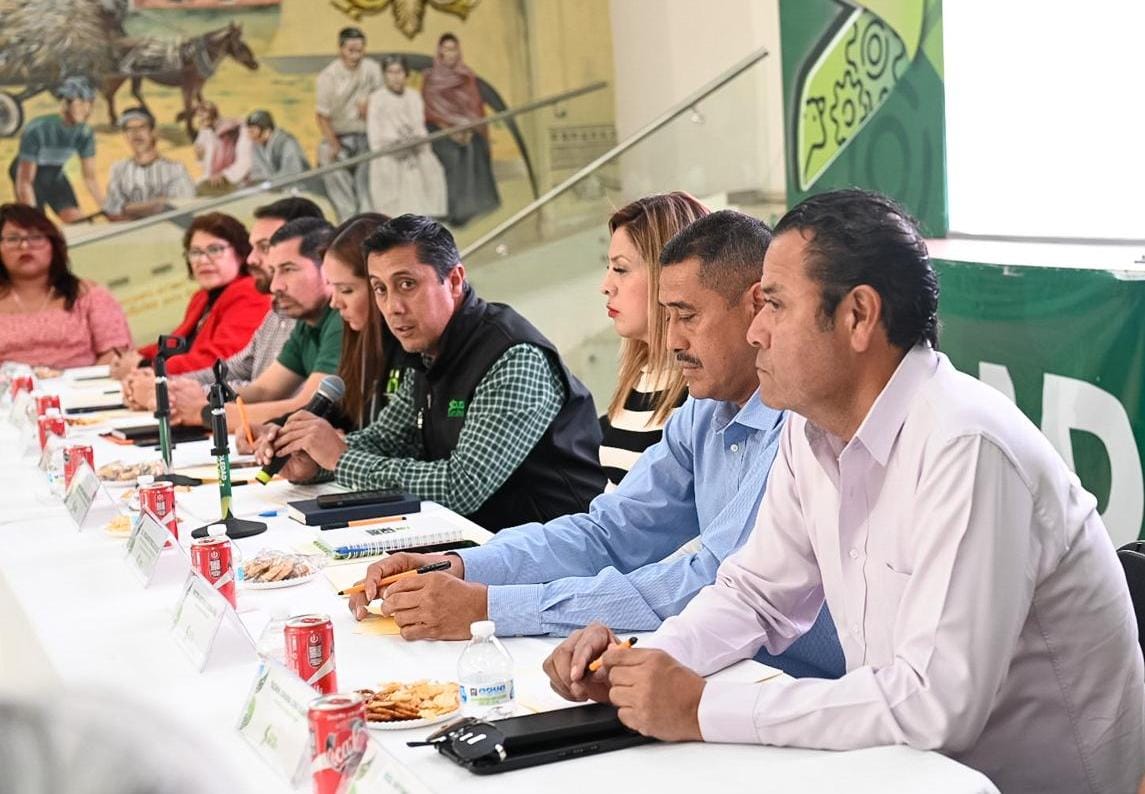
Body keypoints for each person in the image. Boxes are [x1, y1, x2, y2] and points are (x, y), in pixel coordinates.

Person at [544, 189, 1145, 794]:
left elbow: (934, 704)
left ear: (857, 315)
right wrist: (643, 665)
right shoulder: (810, 431)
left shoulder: (966, 446)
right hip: (901, 771)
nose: (755, 331)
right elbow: (755, 595)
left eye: (774, 304)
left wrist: (702, 708)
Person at [342, 211, 844, 682]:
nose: (672, 340)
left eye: (687, 316)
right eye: (667, 317)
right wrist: (461, 565)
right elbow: (610, 532)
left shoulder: (797, 422)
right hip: (721, 672)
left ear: (756, 307)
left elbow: (710, 580)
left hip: (803, 692)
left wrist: (490, 606)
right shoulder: (704, 411)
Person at [255, 213, 606, 530]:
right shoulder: (428, 351)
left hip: (554, 556)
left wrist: (340, 458)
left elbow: (462, 485)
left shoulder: (513, 357)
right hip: (479, 542)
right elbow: (388, 439)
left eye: (407, 284)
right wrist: (312, 458)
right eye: (380, 289)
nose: (392, 306)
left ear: (454, 280)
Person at [122, 197, 325, 411]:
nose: (252, 259)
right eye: (196, 252)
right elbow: (238, 371)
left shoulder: (255, 295)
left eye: (265, 247)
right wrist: (163, 383)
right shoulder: (277, 309)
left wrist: (171, 391)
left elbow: (277, 398)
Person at [174, 217, 342, 430]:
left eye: (288, 269)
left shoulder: (341, 318)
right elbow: (263, 390)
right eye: (274, 271)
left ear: (328, 268)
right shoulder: (307, 321)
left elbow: (308, 408)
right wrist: (188, 397)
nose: (275, 286)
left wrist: (206, 413)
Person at [598, 193, 702, 488]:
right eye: (608, 269)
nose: (606, 286)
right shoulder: (638, 373)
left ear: (666, 275)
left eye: (620, 269)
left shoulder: (703, 390)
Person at [111, 212, 268, 378]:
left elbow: (220, 361)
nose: (203, 260)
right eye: (195, 252)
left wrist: (145, 366)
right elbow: (176, 345)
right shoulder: (202, 297)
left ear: (241, 254)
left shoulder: (251, 293)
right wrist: (133, 355)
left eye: (215, 249)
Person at [0, 203, 131, 368]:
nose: (25, 246)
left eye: (36, 237)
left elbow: (116, 353)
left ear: (54, 246)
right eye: (13, 239)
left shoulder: (89, 295)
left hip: (87, 383)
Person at [323, 212, 404, 429]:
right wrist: (279, 430)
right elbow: (340, 412)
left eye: (346, 290)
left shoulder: (415, 352)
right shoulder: (361, 343)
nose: (334, 303)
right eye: (333, 288)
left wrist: (345, 445)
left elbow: (396, 437)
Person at [422, 33, 500, 226]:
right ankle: (455, 212)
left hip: (467, 128)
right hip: (438, 129)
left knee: (476, 147)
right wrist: (451, 131)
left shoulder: (466, 76)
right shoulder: (431, 78)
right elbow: (431, 112)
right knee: (453, 154)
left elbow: (474, 109)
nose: (450, 54)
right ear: (440, 52)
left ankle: (478, 205)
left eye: (454, 49)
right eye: (446, 49)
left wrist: (468, 130)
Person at [8, 77, 104, 223]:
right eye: (78, 103)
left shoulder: (85, 133)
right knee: (37, 223)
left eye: (89, 102)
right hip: (26, 174)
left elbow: (89, 177)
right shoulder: (37, 129)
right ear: (65, 103)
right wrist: (33, 217)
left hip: (54, 175)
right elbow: (25, 181)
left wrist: (107, 207)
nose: (85, 109)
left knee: (78, 221)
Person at [366, 55, 447, 218]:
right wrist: (394, 144)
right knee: (391, 174)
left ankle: (429, 216)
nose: (395, 77)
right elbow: (374, 135)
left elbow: (419, 128)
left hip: (414, 148)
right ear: (385, 75)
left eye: (399, 72)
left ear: (406, 74)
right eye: (391, 72)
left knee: (431, 168)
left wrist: (413, 141)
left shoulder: (414, 96)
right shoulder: (377, 99)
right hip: (388, 152)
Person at [315, 27, 382, 220]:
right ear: (341, 49)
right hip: (339, 136)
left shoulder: (372, 69)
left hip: (368, 135)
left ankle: (369, 219)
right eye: (351, 50)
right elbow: (321, 116)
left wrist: (370, 109)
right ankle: (348, 219)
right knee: (327, 157)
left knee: (367, 180)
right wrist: (334, 144)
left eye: (360, 51)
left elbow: (384, 104)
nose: (355, 56)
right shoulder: (328, 76)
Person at [102, 107, 195, 221]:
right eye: (129, 129)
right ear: (125, 135)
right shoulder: (118, 169)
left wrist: (127, 208)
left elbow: (184, 208)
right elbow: (111, 212)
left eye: (141, 127)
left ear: (153, 132)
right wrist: (156, 205)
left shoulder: (175, 169)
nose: (135, 133)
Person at [245, 110, 320, 195]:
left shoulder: (286, 142)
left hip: (302, 189)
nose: (250, 136)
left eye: (253, 132)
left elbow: (292, 172)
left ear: (267, 130)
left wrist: (269, 184)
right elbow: (257, 172)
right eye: (249, 132)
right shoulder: (256, 146)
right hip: (276, 191)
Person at [192, 101, 252, 191]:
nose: (199, 120)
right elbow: (205, 163)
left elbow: (244, 162)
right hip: (215, 182)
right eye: (198, 116)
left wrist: (224, 175)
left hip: (237, 183)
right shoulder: (205, 132)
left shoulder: (237, 129)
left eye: (201, 115)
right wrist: (200, 157)